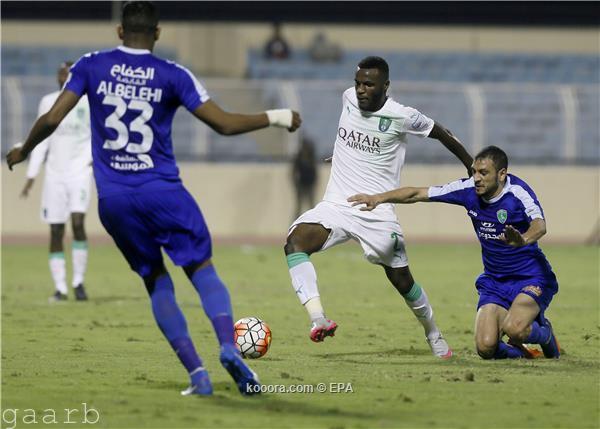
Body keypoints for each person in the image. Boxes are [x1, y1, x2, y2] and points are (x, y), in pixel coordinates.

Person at [7, 1, 301, 396]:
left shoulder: (91, 65)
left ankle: (197, 375)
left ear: (119, 32)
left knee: (155, 280)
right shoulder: (172, 74)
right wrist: (277, 116)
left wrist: (24, 150)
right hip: (163, 192)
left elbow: (52, 119)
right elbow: (225, 124)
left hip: (115, 201)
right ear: (158, 33)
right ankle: (229, 348)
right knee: (201, 271)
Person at [284, 56, 473, 358]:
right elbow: (350, 135)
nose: (360, 89)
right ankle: (319, 318)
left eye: (368, 84)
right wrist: (343, 157)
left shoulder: (402, 115)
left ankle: (433, 332)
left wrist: (470, 164)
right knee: (294, 243)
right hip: (337, 204)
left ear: (385, 86)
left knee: (402, 280)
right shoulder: (347, 98)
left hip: (377, 212)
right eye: (358, 83)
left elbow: (443, 133)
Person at [348, 145, 560, 360]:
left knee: (515, 329)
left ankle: (546, 334)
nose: (476, 178)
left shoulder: (518, 192)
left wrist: (522, 240)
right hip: (495, 281)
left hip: (531, 277)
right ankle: (523, 353)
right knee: (486, 348)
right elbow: (417, 193)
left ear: (502, 174)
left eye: (483, 173)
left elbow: (540, 226)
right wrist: (378, 198)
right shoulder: (468, 190)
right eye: (475, 171)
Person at [20, 61, 91, 302]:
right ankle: (60, 288)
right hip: (54, 175)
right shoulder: (48, 102)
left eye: (68, 72)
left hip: (80, 172)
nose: (63, 75)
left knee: (79, 223)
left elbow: (98, 135)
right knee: (55, 230)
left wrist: (93, 162)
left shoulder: (88, 102)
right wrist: (31, 176)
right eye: (60, 72)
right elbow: (42, 141)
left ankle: (78, 282)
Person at [291, 136, 318, 219]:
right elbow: (294, 171)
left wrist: (314, 182)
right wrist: (296, 183)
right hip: (301, 184)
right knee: (299, 206)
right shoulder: (299, 157)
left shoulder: (311, 156)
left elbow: (315, 171)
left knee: (311, 205)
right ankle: (295, 223)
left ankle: (314, 220)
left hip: (309, 184)